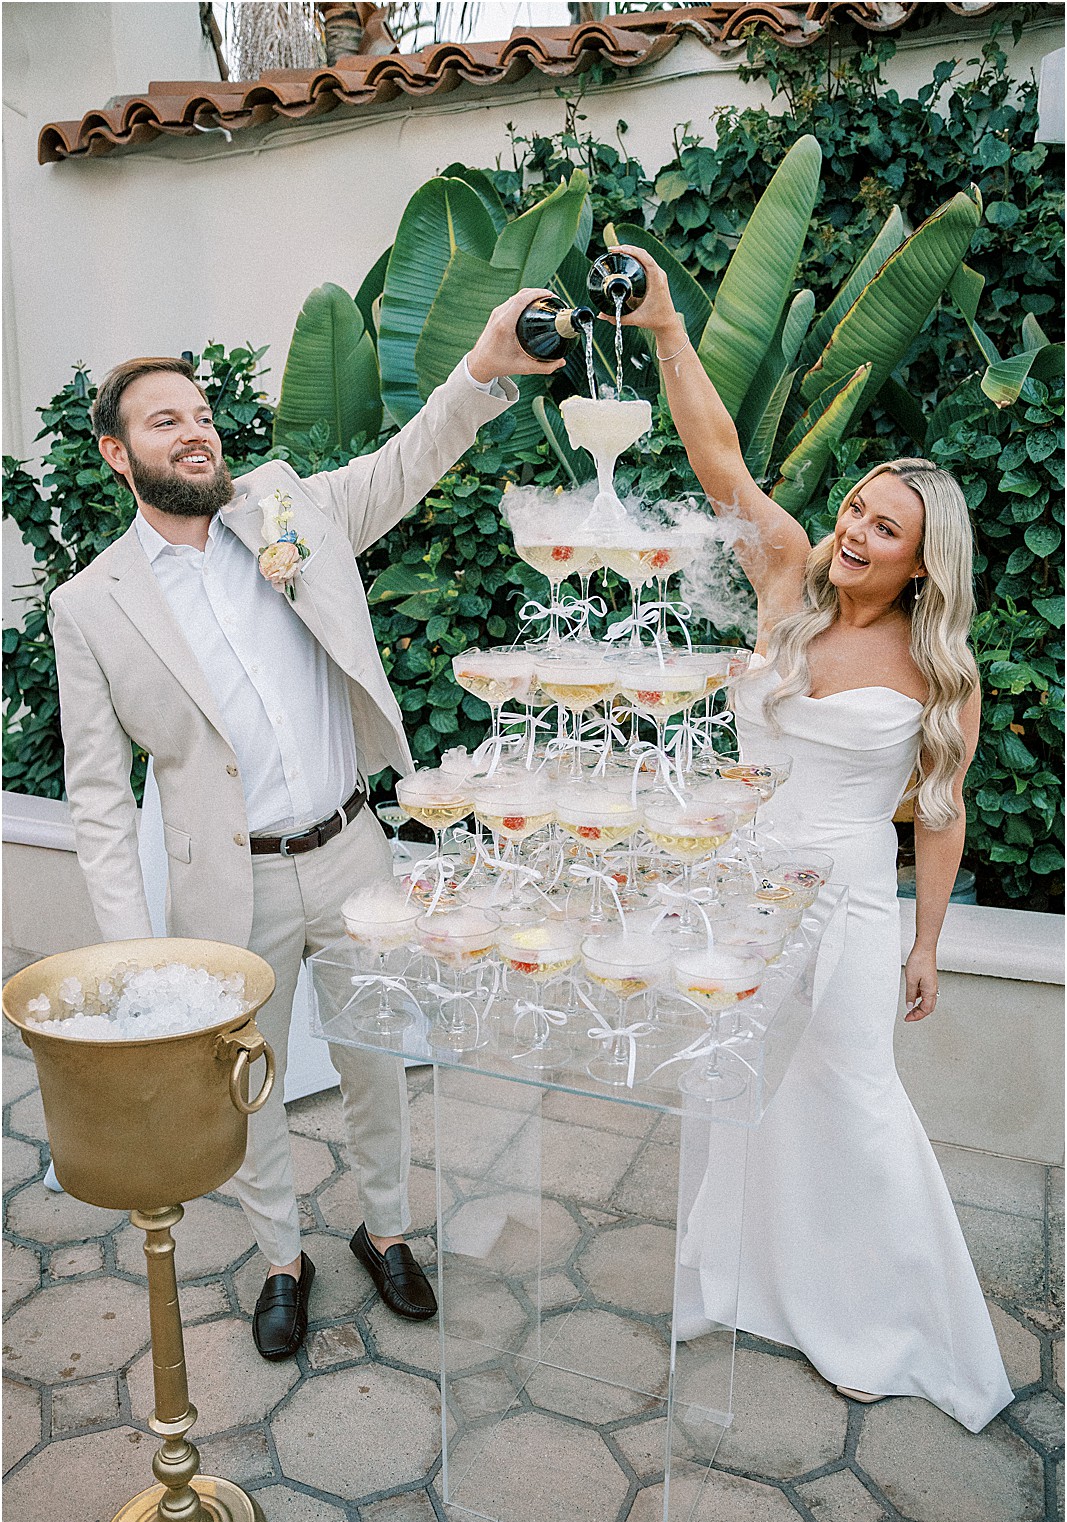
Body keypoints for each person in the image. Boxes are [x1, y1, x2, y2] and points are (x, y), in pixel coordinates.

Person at [50, 291, 564, 1363]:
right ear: (115, 452)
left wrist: (480, 367)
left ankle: (385, 1230)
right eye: (163, 421)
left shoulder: (283, 507)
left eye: (200, 413)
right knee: (250, 1085)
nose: (194, 431)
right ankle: (281, 1257)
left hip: (352, 852)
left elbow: (400, 464)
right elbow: (97, 794)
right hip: (223, 891)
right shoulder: (88, 605)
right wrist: (135, 949)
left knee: (380, 1056)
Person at [610, 246, 1013, 1432]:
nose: (850, 531)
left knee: (851, 1090)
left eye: (880, 528)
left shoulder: (942, 672)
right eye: (851, 509)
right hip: (738, 880)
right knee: (729, 1083)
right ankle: (739, 1284)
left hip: (840, 893)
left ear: (917, 558)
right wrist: (669, 328)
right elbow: (718, 461)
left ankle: (883, 1320)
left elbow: (934, 815)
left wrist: (924, 940)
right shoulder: (783, 582)